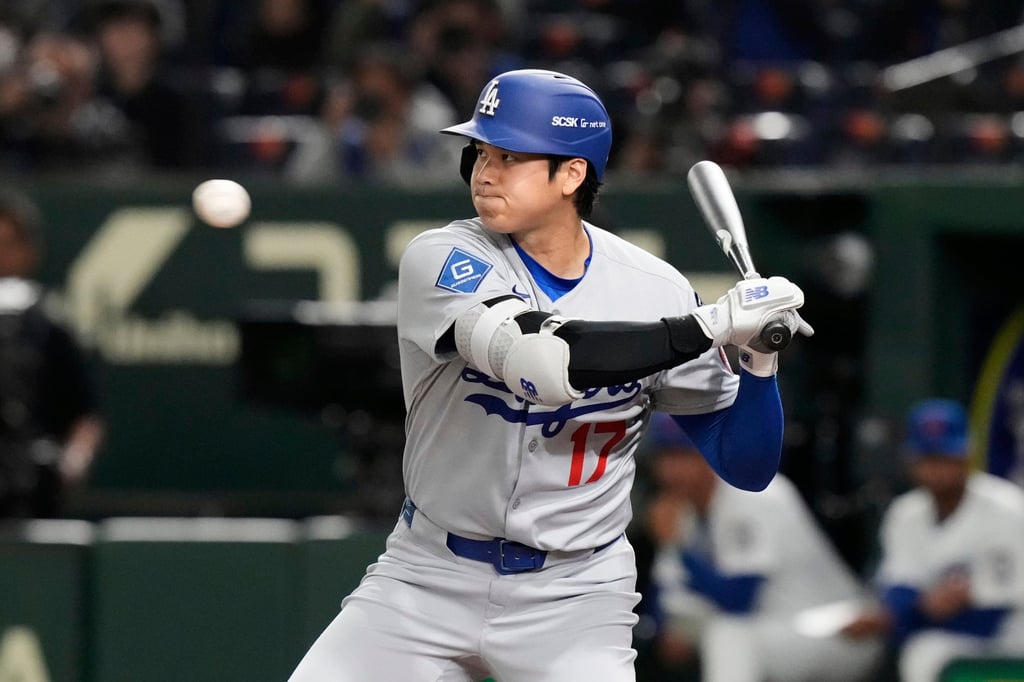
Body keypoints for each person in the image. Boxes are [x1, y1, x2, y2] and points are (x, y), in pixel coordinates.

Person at [288, 68, 811, 682]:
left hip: (576, 594)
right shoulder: (443, 257)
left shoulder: (656, 290)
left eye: (509, 155)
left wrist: (758, 357)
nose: (484, 170)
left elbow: (745, 465)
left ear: (571, 173)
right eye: (481, 151)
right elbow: (548, 365)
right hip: (428, 573)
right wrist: (712, 324)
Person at [643, 412, 884, 682]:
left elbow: (739, 600)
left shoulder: (754, 491)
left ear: (713, 451)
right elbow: (666, 592)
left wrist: (678, 547)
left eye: (687, 455)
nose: (673, 470)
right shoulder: (681, 510)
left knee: (729, 634)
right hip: (774, 629)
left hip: (837, 631)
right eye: (666, 457)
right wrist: (671, 628)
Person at [842, 398, 1024, 682]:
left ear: (966, 454)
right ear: (912, 461)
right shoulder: (905, 514)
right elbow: (900, 590)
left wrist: (916, 611)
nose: (937, 469)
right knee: (922, 651)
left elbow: (992, 614)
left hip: (1013, 634)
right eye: (929, 459)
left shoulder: (1006, 507)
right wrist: (914, 609)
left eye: (946, 458)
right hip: (952, 636)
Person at [0, 189, 105, 518]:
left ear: (29, 251)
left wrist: (71, 461)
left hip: (31, 494)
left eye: (7, 245)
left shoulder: (49, 322)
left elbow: (86, 414)